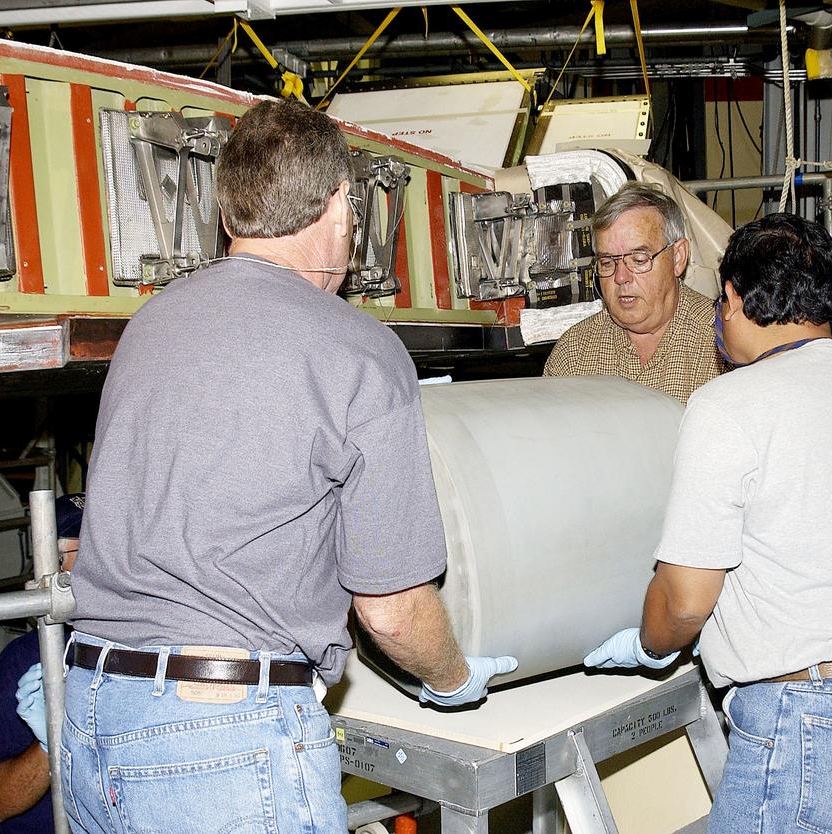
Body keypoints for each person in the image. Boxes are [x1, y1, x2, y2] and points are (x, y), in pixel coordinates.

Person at [63, 101, 515, 834]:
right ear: (340, 203)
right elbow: (391, 609)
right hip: (221, 741)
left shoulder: (149, 326)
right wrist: (452, 680)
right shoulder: (356, 351)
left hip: (89, 713)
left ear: (224, 205)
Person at [584, 213, 832, 834]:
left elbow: (687, 598)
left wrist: (649, 643)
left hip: (817, 727)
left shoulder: (730, 404)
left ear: (736, 300)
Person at [543, 182, 723, 404]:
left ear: (678, 257)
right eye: (607, 262)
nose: (621, 277)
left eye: (638, 260)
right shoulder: (575, 353)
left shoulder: (720, 342)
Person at [0, 494, 84, 833]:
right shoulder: (29, 658)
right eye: (88, 549)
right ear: (55, 564)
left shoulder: (146, 643)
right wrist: (50, 743)